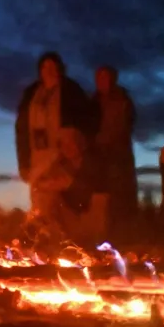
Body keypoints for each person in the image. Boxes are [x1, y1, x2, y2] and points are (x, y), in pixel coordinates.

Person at [15, 52, 98, 220]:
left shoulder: (71, 90)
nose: (49, 70)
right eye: (45, 66)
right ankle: (43, 235)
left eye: (53, 66)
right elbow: (21, 129)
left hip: (63, 152)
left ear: (60, 68)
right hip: (37, 153)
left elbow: (87, 119)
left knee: (61, 193)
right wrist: (23, 161)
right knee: (39, 193)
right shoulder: (31, 93)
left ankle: (64, 237)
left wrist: (75, 139)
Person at [92, 65, 139, 239]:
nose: (103, 81)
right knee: (102, 198)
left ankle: (125, 237)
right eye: (100, 77)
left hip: (119, 157)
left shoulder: (122, 100)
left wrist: (110, 144)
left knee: (121, 197)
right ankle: (102, 236)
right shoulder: (93, 101)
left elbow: (125, 126)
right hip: (99, 157)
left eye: (106, 77)